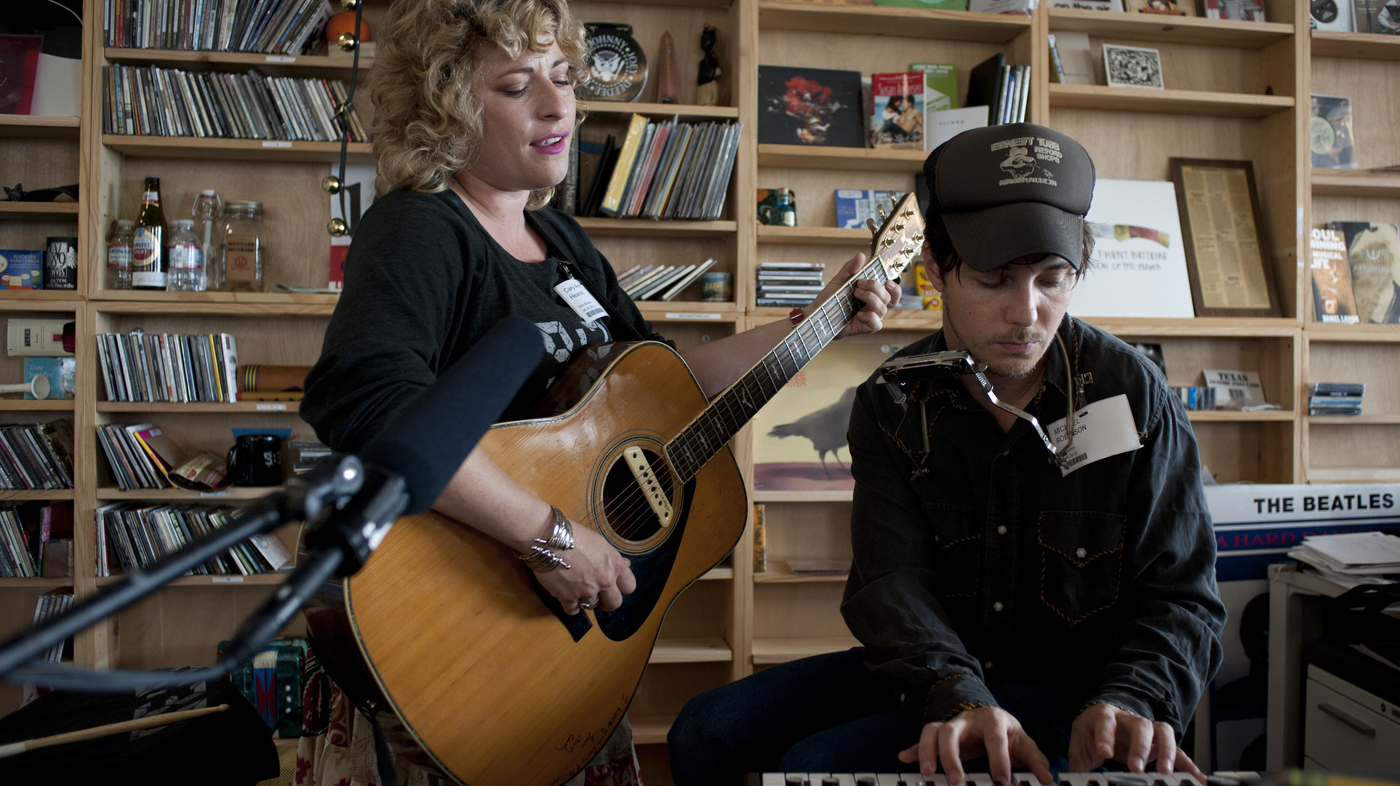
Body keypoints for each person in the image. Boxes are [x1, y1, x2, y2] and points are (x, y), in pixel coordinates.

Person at [299, 0, 899, 782]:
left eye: (563, 77)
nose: (558, 107)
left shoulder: (563, 241)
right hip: (446, 647)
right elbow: (375, 410)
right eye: (517, 86)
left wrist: (820, 319)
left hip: (557, 663)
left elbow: (664, 387)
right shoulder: (419, 228)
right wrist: (549, 537)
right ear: (445, 104)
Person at [668, 123, 1227, 785]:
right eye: (994, 280)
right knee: (707, 731)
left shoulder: (1129, 391)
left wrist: (1129, 697)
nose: (1027, 313)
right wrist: (959, 696)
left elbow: (1181, 595)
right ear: (935, 267)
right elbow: (890, 583)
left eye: (1054, 280)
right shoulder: (894, 398)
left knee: (812, 769)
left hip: (1079, 692)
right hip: (940, 668)